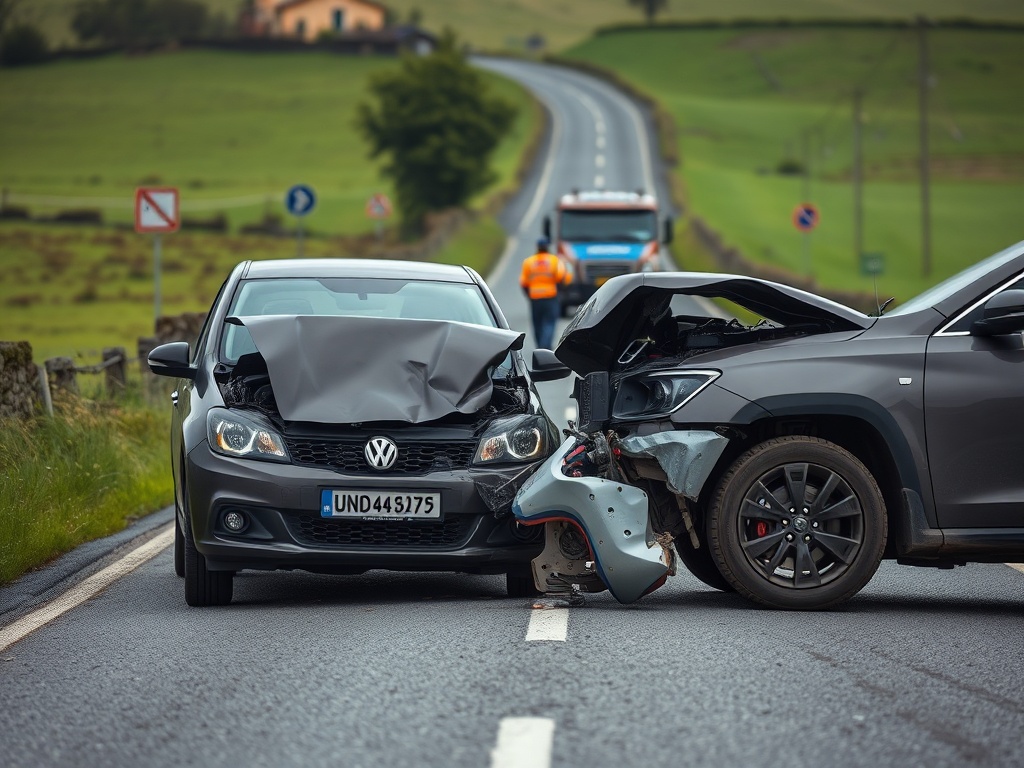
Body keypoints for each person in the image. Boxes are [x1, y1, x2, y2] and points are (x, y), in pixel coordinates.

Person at [520, 238, 569, 349]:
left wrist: (529, 296)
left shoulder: (529, 262)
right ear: (547, 247)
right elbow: (562, 278)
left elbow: (523, 283)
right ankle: (545, 346)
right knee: (550, 322)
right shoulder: (554, 261)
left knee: (537, 323)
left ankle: (540, 346)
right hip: (550, 296)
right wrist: (561, 292)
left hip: (535, 298)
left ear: (537, 247)